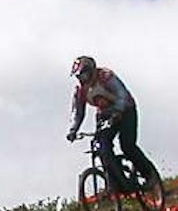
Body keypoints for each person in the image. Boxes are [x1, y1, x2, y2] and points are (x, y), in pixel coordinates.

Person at [65, 56, 157, 192]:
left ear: (91, 70)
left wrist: (118, 112)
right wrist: (72, 130)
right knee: (102, 147)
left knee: (127, 145)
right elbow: (78, 112)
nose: (82, 79)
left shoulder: (105, 77)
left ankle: (150, 176)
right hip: (105, 114)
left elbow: (122, 94)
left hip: (125, 110)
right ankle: (115, 183)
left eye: (84, 74)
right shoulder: (80, 90)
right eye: (79, 76)